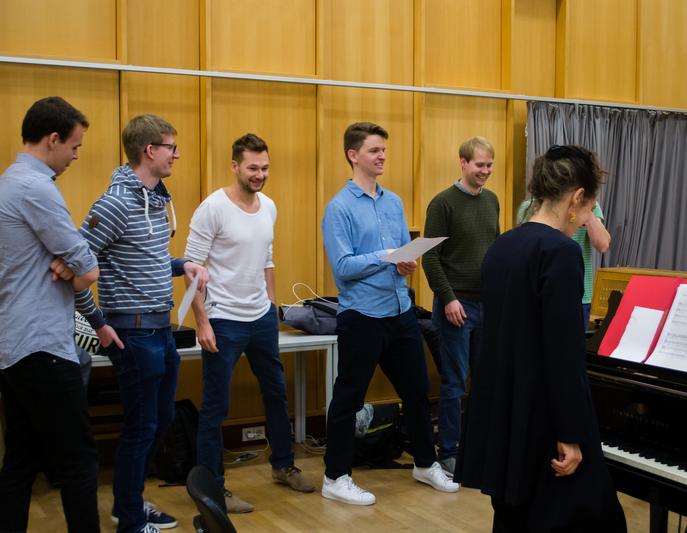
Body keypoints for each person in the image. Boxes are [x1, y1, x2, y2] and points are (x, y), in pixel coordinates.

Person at [457, 145, 626, 532]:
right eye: (587, 213)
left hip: (505, 411)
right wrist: (570, 434)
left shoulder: (503, 245)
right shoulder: (561, 253)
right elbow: (563, 355)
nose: (584, 221)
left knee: (514, 516)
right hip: (545, 420)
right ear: (576, 197)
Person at [75, 115, 208, 533]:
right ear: (150, 151)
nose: (177, 154)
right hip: (131, 331)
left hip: (161, 329)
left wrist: (181, 263)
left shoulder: (155, 199)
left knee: (162, 419)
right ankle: (130, 521)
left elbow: (146, 259)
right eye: (171, 146)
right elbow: (75, 265)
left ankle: (127, 503)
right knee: (141, 426)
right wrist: (96, 322)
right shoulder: (114, 203)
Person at [321, 121, 458, 505]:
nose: (382, 156)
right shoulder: (339, 208)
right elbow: (343, 266)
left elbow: (401, 251)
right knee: (348, 398)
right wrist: (385, 258)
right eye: (374, 150)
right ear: (353, 155)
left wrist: (404, 262)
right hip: (362, 315)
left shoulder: (394, 202)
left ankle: (425, 464)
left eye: (383, 150)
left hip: (400, 311)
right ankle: (335, 477)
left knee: (416, 392)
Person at [184, 133, 315, 513]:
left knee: (276, 393)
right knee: (216, 406)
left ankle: (283, 466)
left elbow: (267, 260)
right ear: (235, 166)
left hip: (260, 318)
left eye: (265, 167)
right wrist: (202, 323)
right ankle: (213, 488)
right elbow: (192, 270)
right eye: (253, 167)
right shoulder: (213, 208)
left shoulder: (269, 206)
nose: (260, 174)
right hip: (223, 320)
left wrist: (272, 308)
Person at [0, 96, 100, 533]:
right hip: (43, 346)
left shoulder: (8, 182)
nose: (76, 156)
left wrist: (72, 266)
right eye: (74, 147)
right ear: (53, 139)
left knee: (20, 460)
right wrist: (76, 269)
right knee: (78, 462)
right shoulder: (37, 188)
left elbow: (75, 263)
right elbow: (88, 267)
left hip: (14, 345)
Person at [421, 136, 499, 476]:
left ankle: (479, 447)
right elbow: (430, 256)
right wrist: (448, 298)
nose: (485, 171)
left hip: (488, 307)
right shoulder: (442, 203)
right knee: (454, 382)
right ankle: (449, 451)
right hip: (456, 306)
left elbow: (494, 250)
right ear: (463, 163)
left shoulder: (492, 201)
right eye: (480, 165)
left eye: (489, 165)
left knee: (485, 381)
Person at [517, 189, 610, 331]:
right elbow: (523, 249)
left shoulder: (591, 206)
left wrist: (586, 210)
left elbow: (603, 245)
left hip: (580, 295)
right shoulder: (530, 206)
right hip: (539, 291)